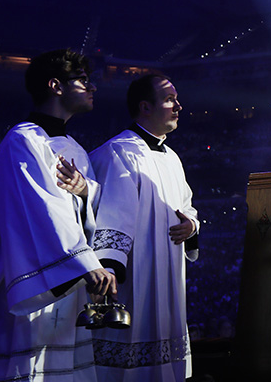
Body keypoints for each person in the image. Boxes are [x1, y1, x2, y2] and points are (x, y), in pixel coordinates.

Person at [0, 48, 117, 381]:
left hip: (65, 282)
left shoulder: (75, 148)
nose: (93, 88)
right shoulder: (23, 140)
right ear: (55, 85)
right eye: (84, 81)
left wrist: (88, 191)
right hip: (27, 278)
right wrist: (85, 262)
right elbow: (40, 209)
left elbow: (87, 208)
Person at [89, 74, 199, 381]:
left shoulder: (173, 158)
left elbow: (187, 207)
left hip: (170, 274)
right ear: (145, 107)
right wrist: (109, 266)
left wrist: (191, 225)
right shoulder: (118, 152)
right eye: (169, 99)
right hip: (134, 276)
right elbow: (110, 212)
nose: (178, 105)